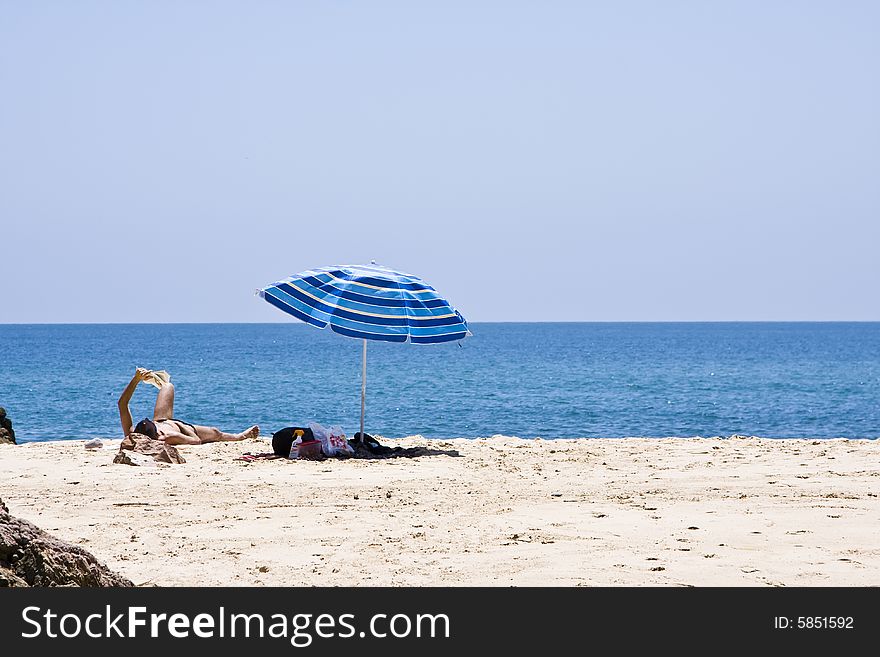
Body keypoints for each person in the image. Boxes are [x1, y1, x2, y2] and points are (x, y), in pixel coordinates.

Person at [117, 367, 259, 445]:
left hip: (162, 419)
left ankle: (152, 378)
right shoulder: (168, 437)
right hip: (182, 428)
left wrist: (136, 380)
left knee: (168, 386)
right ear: (158, 436)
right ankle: (241, 436)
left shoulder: (132, 434)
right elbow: (196, 441)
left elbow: (122, 404)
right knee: (215, 433)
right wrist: (183, 429)